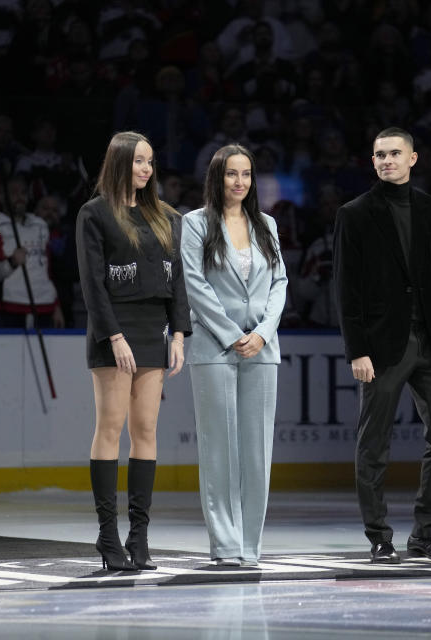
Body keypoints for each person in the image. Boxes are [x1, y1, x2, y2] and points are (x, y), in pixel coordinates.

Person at [333, 127, 431, 564]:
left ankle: (426, 534)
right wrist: (357, 349)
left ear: (413, 158)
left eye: (393, 153)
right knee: (374, 440)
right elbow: (346, 288)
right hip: (382, 342)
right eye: (378, 154)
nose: (385, 160)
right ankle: (379, 535)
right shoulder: (354, 213)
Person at [76, 131, 190, 571]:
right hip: (114, 334)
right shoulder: (95, 213)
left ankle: (138, 537)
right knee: (110, 427)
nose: (146, 169)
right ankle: (107, 538)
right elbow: (92, 284)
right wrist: (115, 336)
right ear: (120, 162)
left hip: (153, 334)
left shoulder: (166, 217)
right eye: (140, 161)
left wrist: (179, 335)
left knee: (145, 431)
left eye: (150, 162)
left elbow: (177, 280)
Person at [180, 145, 287, 567]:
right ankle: (226, 547)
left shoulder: (267, 224)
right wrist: (231, 334)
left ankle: (250, 547)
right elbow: (193, 283)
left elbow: (280, 283)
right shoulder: (195, 223)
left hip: (263, 349)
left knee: (257, 452)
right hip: (214, 348)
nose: (239, 182)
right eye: (231, 174)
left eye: (245, 174)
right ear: (216, 178)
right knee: (219, 450)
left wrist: (261, 334)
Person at [0, 173, 64, 329]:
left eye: (24, 192)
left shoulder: (39, 225)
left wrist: (56, 305)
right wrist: (11, 263)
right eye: (14, 192)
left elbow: (46, 269)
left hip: (44, 306)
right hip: (7, 308)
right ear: (1, 197)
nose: (20, 197)